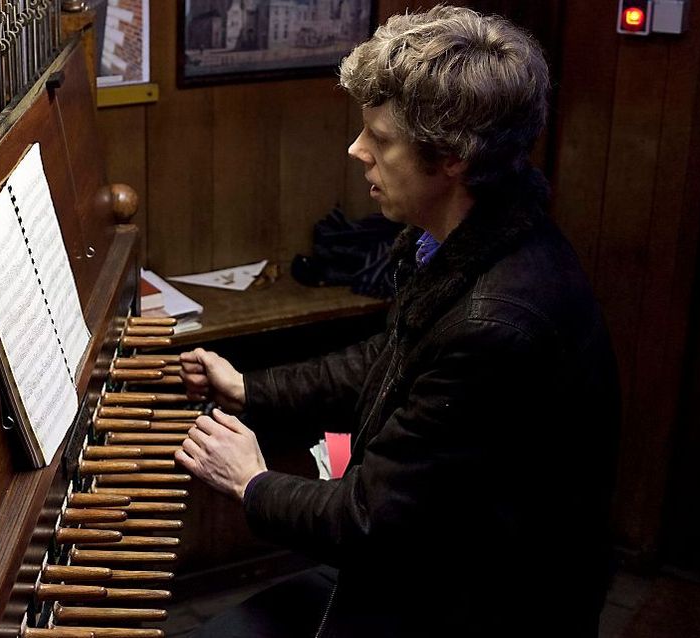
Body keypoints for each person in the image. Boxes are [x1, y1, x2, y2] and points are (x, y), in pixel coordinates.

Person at [174, 5, 620, 638]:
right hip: (422, 573)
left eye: (380, 139)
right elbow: (390, 361)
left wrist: (251, 482)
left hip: (476, 608)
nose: (357, 150)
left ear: (451, 159)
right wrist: (253, 389)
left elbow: (370, 521)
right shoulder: (470, 236)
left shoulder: (495, 322)